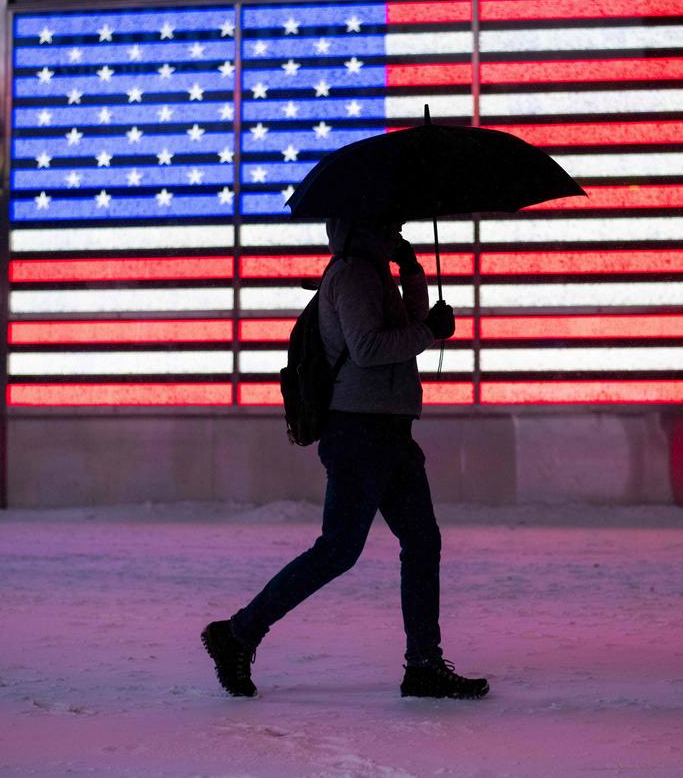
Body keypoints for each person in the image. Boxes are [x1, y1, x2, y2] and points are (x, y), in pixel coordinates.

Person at [201, 217, 489, 699]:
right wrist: (429, 331)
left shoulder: (375, 271)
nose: (395, 221)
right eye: (387, 215)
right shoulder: (353, 273)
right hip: (359, 431)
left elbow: (408, 330)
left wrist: (413, 274)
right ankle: (237, 634)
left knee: (421, 541)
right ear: (361, 216)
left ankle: (423, 664)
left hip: (390, 429)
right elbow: (369, 348)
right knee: (339, 549)